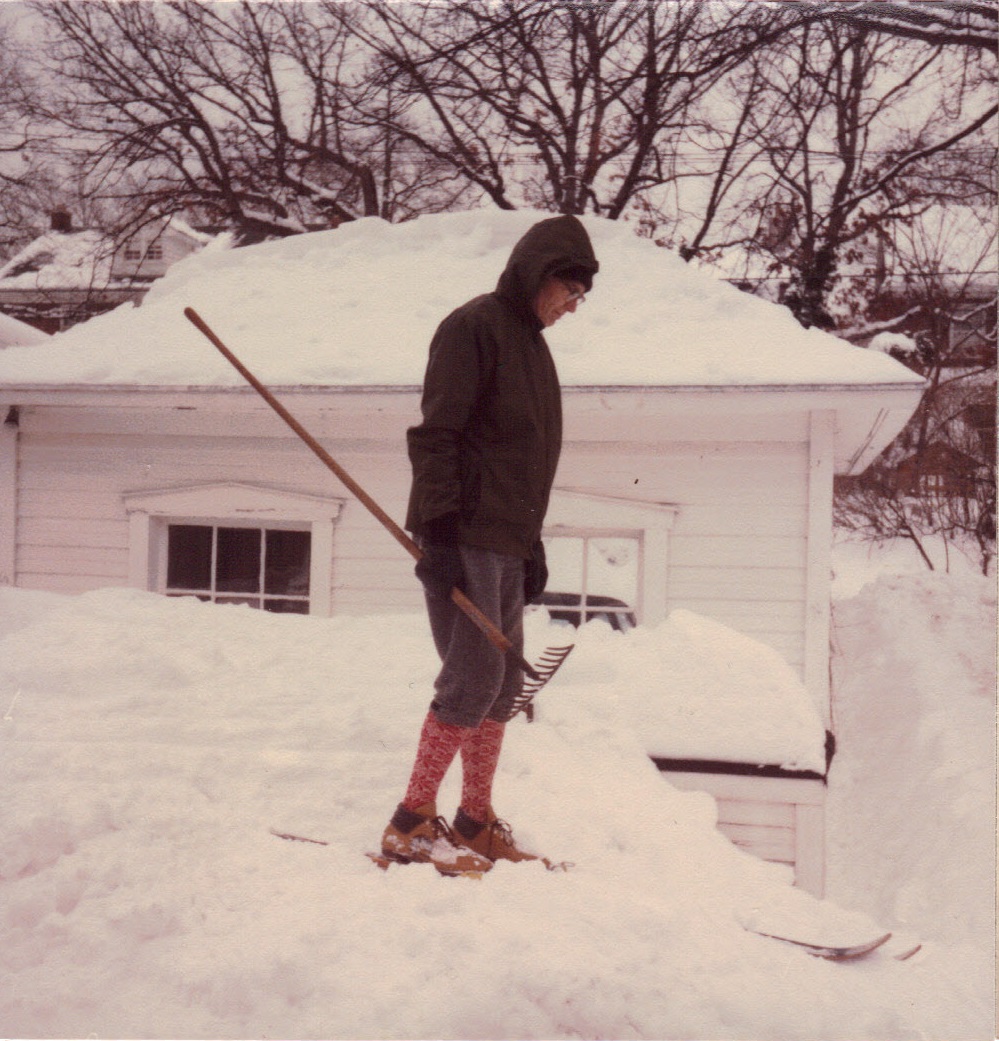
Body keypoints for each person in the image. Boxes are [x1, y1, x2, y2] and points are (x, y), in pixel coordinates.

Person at [379, 214, 599, 874]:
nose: (572, 307)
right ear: (540, 275)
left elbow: (525, 461)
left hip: (506, 538)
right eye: (570, 291)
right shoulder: (473, 327)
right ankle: (410, 821)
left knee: (500, 685)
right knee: (472, 678)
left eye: (580, 297)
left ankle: (474, 821)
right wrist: (440, 531)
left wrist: (531, 543)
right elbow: (436, 434)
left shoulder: (534, 349)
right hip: (466, 530)